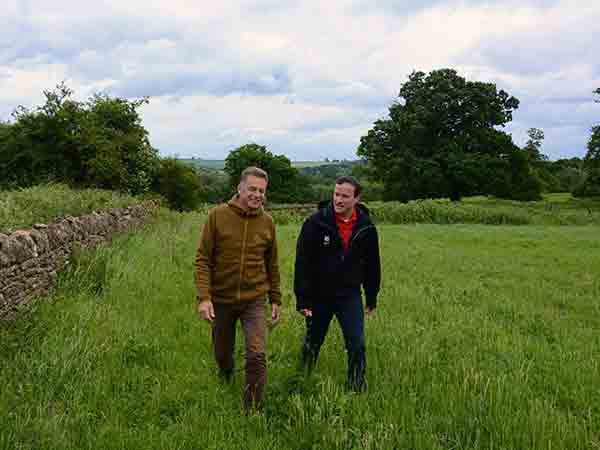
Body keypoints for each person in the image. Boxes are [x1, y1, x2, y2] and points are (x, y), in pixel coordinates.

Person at [195, 166, 281, 411]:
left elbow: (272, 264)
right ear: (240, 189)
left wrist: (276, 299)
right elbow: (203, 259)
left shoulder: (267, 222)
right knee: (223, 354)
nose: (257, 195)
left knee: (257, 354)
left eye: (262, 191)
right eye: (252, 189)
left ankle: (252, 410)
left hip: (254, 299)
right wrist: (204, 297)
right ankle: (225, 373)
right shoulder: (217, 216)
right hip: (221, 298)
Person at [294, 175, 381, 392]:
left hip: (349, 295)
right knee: (312, 343)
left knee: (357, 343)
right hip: (319, 295)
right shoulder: (315, 223)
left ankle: (356, 386)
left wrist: (371, 298)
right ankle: (301, 382)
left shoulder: (366, 227)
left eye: (345, 196)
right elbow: (302, 262)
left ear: (356, 199)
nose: (339, 200)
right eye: (336, 194)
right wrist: (303, 299)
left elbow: (372, 265)